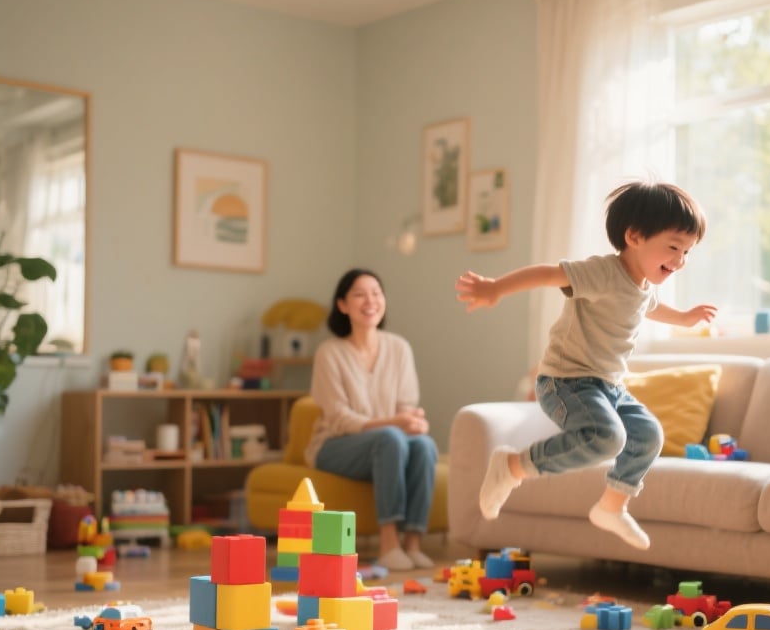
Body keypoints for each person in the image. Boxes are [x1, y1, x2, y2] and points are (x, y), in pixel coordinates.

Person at [455, 180, 717, 550]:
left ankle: (611, 507)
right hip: (566, 381)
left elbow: (650, 307)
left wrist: (685, 318)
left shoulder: (642, 285)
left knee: (648, 435)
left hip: (608, 386)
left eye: (687, 252)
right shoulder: (602, 272)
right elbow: (548, 273)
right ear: (635, 236)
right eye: (674, 247)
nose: (680, 260)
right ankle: (512, 467)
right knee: (607, 438)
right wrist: (496, 288)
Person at [305, 268, 438, 571]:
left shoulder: (399, 348)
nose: (371, 300)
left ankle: (413, 543)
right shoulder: (330, 352)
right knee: (390, 438)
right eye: (360, 294)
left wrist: (414, 422)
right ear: (343, 305)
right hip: (335, 445)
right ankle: (389, 543)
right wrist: (396, 423)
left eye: (376, 293)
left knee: (424, 446)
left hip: (388, 445)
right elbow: (339, 419)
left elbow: (406, 406)